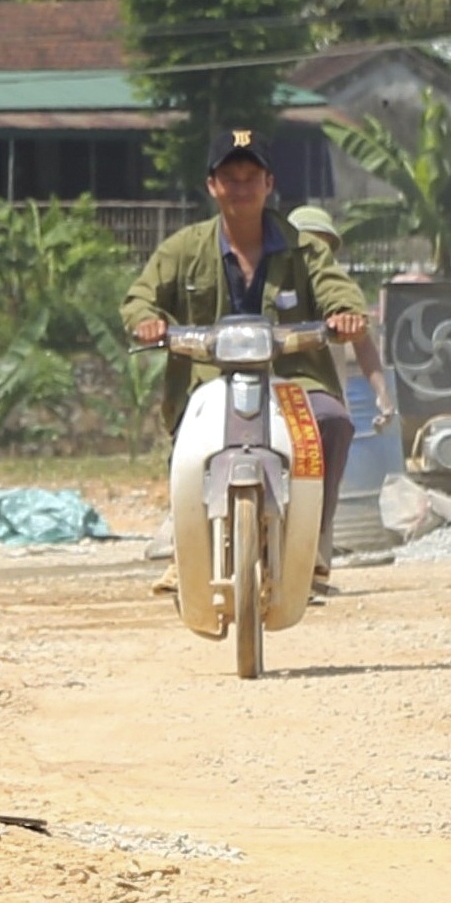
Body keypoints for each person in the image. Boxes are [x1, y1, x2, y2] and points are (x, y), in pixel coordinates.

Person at [122, 132, 369, 593]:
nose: (241, 187)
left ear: (269, 183)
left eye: (250, 177)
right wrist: (148, 322)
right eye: (229, 178)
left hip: (293, 377)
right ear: (212, 185)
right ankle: (185, 550)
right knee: (190, 447)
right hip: (209, 378)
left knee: (333, 422)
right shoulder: (184, 249)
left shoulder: (303, 248)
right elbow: (140, 297)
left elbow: (337, 287)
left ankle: (313, 547)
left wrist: (343, 314)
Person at [285, 205, 395, 433]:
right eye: (304, 245)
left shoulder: (341, 293)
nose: (312, 253)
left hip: (322, 398)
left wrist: (382, 393)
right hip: (274, 395)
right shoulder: (268, 283)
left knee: (335, 429)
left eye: (320, 247)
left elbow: (363, 342)